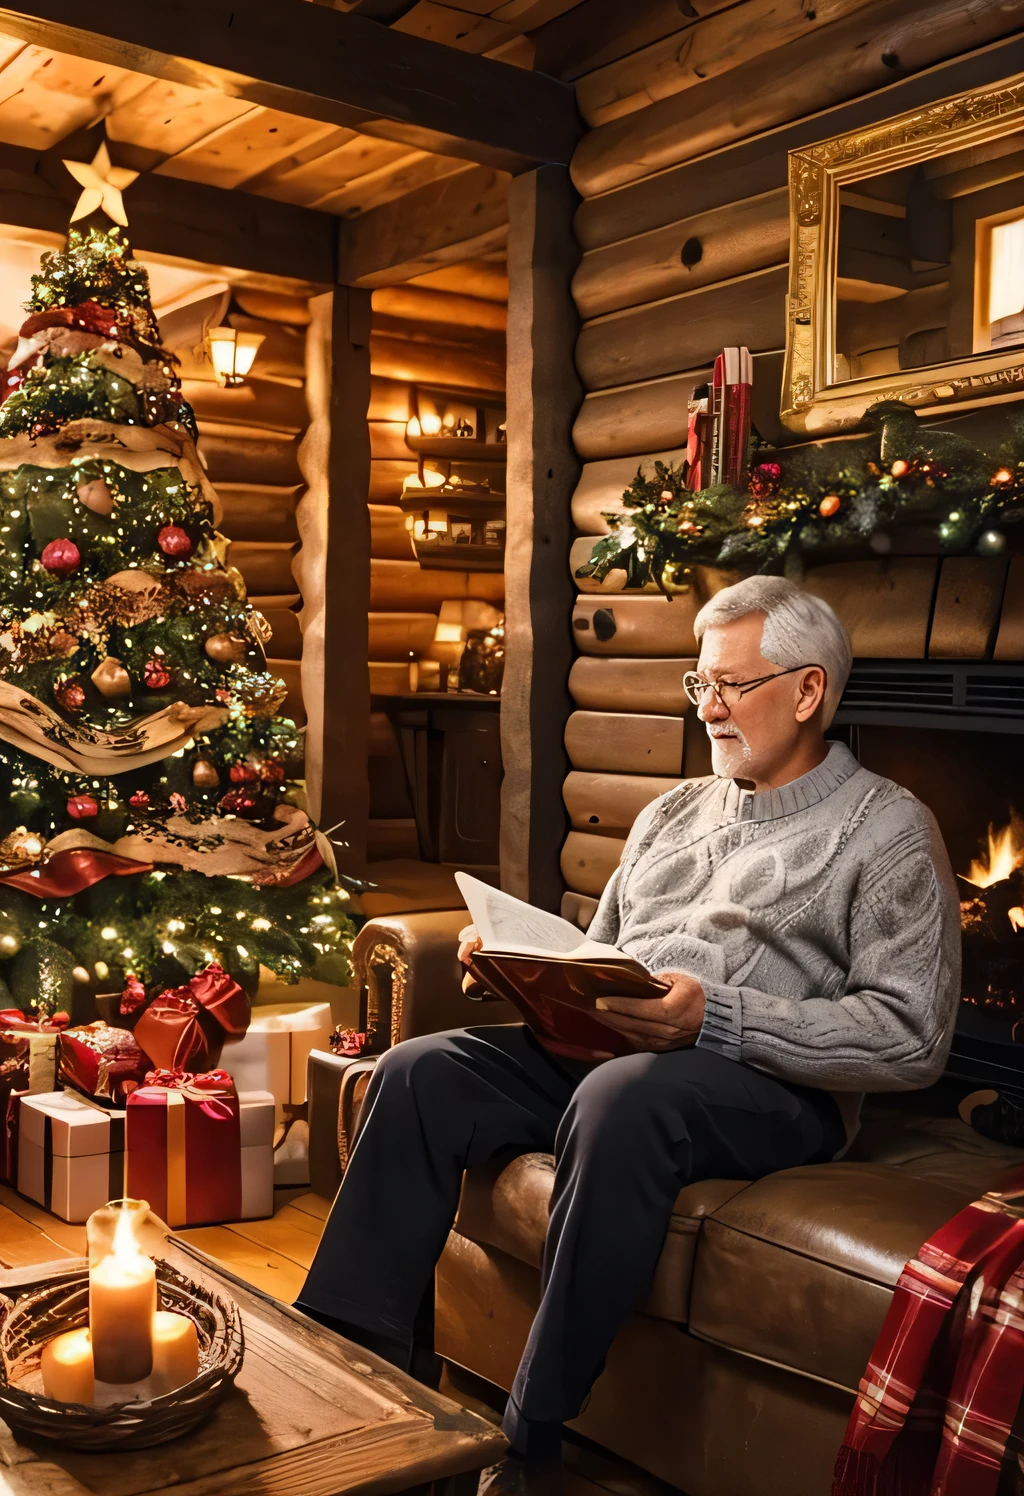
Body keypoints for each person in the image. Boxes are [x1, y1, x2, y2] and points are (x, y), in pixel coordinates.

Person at [297, 575, 961, 1480]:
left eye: (733, 685)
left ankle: (531, 1441)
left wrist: (714, 1018)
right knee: (422, 1071)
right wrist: (517, 973)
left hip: (768, 1091)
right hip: (619, 1058)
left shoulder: (887, 830)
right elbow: (600, 955)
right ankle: (349, 1384)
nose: (710, 709)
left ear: (809, 693)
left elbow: (913, 1037)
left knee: (623, 1095)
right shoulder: (670, 814)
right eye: (701, 684)